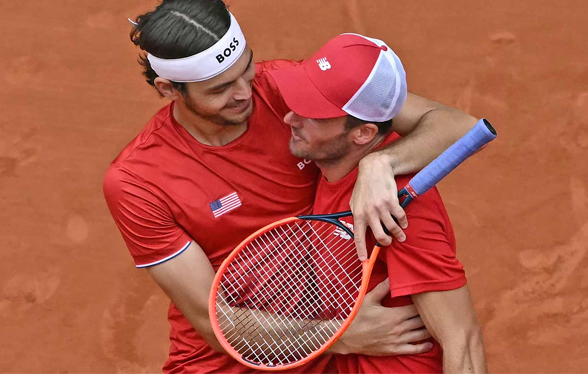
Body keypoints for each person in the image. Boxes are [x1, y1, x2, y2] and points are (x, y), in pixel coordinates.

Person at [104, 0, 482, 372]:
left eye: (247, 72)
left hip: (337, 349)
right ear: (169, 89)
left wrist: (381, 163)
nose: (245, 94)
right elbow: (211, 321)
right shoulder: (138, 181)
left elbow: (456, 126)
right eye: (220, 89)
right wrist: (339, 335)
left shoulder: (293, 92)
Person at [268, 33, 487, 373]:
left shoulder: (397, 210)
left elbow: (462, 339)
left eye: (312, 114)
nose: (290, 119)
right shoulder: (336, 167)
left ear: (363, 134)